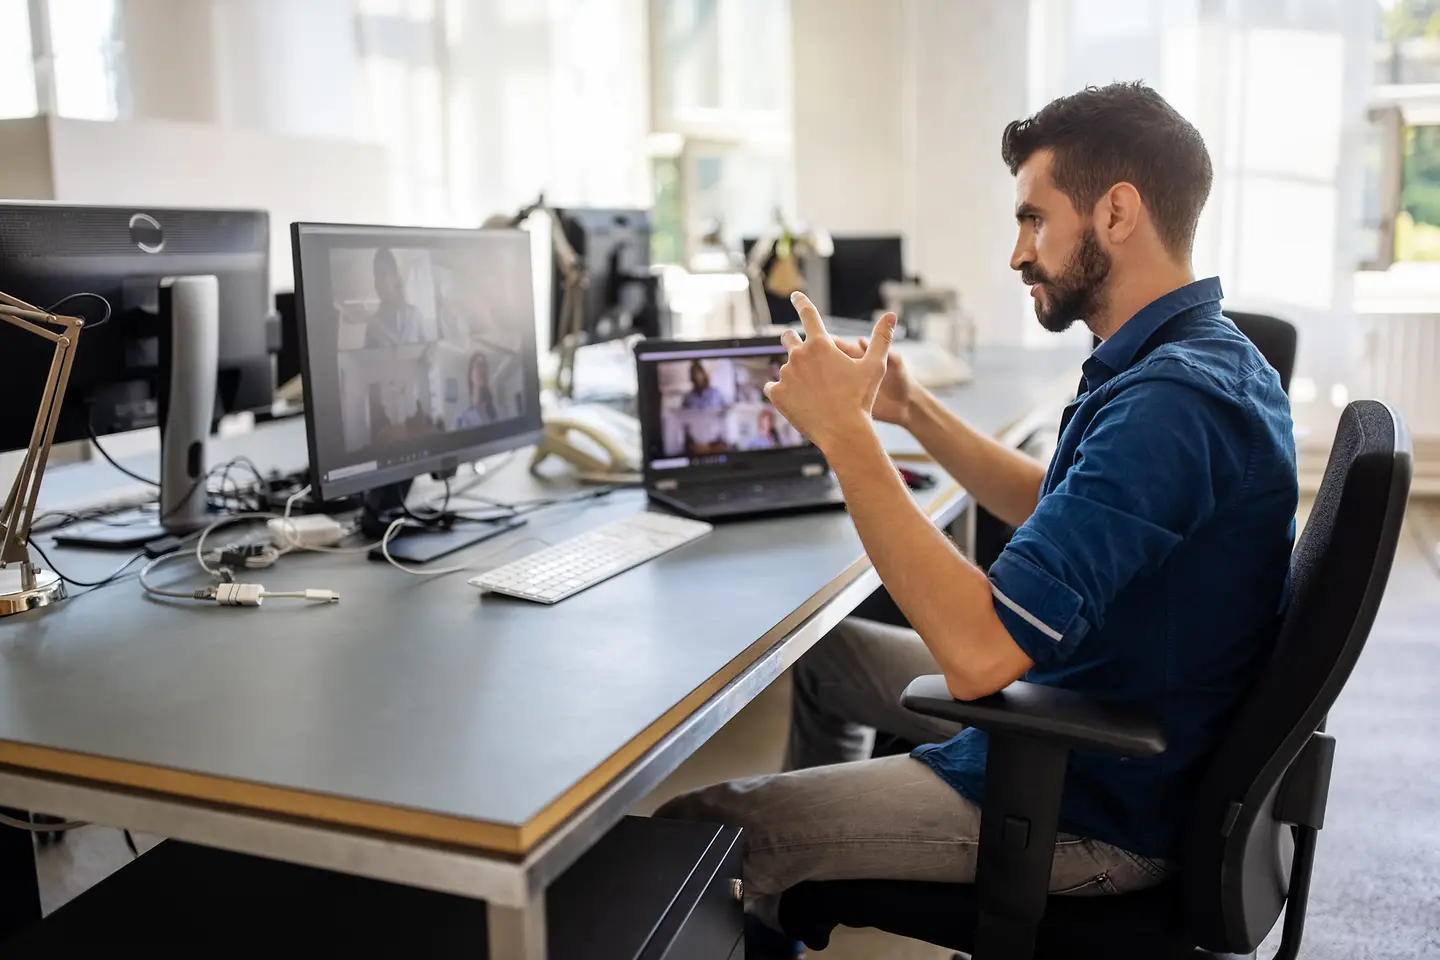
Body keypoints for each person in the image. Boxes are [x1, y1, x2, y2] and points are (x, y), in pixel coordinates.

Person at [655, 81, 1297, 957]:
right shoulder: (1193, 358)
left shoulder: (1172, 403)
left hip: (1095, 805)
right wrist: (912, 412)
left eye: (1035, 220)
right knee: (831, 658)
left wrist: (845, 436)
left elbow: (979, 652)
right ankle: (791, 891)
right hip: (1100, 706)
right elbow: (1059, 508)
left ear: (1117, 212)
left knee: (695, 827)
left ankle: (776, 868)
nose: (1017, 253)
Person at [365, 248, 426, 348]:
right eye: (376, 276)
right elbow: (366, 362)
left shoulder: (415, 316)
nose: (380, 282)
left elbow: (428, 352)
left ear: (395, 276)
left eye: (383, 274)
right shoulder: (373, 327)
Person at [455, 352, 500, 429]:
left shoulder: (496, 412)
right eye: (478, 366)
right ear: (471, 374)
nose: (482, 371)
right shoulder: (461, 417)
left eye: (484, 367)